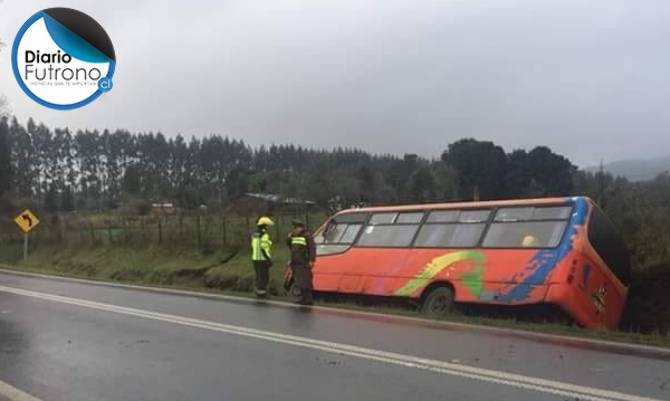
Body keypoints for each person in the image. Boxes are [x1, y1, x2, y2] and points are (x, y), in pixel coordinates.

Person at [287, 219, 316, 305]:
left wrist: (312, 260)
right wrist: (288, 238)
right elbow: (291, 247)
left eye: (297, 228)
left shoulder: (307, 236)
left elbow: (312, 248)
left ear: (301, 228)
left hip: (304, 262)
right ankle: (303, 298)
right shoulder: (293, 236)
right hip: (295, 262)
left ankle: (308, 299)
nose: (295, 230)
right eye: (294, 228)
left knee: (305, 281)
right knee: (299, 281)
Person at [251, 216, 274, 298]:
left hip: (255, 258)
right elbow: (264, 248)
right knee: (264, 277)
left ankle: (258, 292)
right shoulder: (264, 235)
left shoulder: (255, 234)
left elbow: (254, 246)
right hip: (262, 259)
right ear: (264, 225)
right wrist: (269, 259)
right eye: (267, 225)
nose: (268, 227)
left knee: (258, 276)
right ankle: (262, 294)